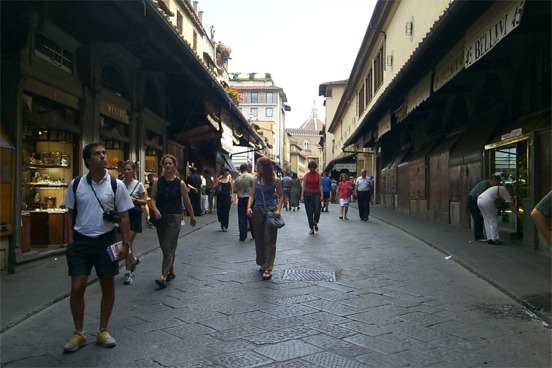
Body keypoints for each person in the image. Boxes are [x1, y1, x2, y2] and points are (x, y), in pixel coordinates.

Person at [62, 142, 134, 352]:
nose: (103, 156)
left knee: (108, 286)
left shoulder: (115, 185)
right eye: (97, 154)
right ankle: (79, 333)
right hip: (81, 241)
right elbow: (69, 214)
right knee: (77, 288)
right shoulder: (76, 184)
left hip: (106, 240)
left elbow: (124, 216)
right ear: (87, 160)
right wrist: (70, 240)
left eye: (104, 153)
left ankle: (103, 329)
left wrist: (126, 244)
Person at [149, 154, 196, 288]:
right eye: (166, 164)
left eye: (170, 163)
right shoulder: (158, 182)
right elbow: (152, 198)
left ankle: (163, 276)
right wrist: (155, 210)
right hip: (160, 218)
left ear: (174, 165)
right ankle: (171, 271)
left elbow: (186, 201)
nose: (168, 166)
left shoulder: (180, 183)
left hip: (175, 218)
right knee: (165, 246)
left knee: (169, 246)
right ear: (162, 166)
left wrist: (192, 217)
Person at [246, 157, 284, 280]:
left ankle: (268, 267)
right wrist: (248, 207)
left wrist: (278, 209)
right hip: (257, 210)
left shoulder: (275, 180)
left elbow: (281, 196)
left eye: (259, 166)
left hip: (270, 211)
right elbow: (252, 195)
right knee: (259, 239)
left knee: (270, 240)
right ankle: (263, 262)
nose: (257, 168)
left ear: (266, 167)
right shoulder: (256, 179)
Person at [120, 161, 146, 285]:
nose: (127, 172)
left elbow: (145, 202)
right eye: (125, 169)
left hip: (134, 217)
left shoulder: (139, 185)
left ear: (133, 171)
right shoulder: (119, 184)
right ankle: (133, 260)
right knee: (122, 244)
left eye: (129, 169)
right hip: (121, 217)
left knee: (128, 243)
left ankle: (128, 272)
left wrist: (134, 199)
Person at [467, 175, 501, 241]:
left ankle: (481, 235)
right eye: (496, 182)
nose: (497, 184)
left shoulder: (490, 186)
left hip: (478, 201)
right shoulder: (484, 184)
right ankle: (478, 236)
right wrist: (481, 210)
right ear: (493, 180)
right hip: (474, 201)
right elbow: (479, 196)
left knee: (480, 218)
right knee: (478, 218)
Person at [233, 163, 255, 241]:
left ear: (241, 169)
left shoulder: (237, 179)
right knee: (252, 217)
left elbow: (234, 190)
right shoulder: (252, 177)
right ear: (247, 168)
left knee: (242, 218)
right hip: (250, 199)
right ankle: (254, 234)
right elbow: (255, 188)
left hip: (241, 199)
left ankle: (242, 235)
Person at [301, 160, 323, 234]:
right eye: (311, 167)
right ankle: (311, 228)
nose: (312, 169)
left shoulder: (318, 175)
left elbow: (320, 186)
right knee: (309, 212)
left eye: (313, 167)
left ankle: (315, 222)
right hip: (308, 195)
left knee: (317, 210)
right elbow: (304, 186)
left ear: (315, 167)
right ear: (309, 168)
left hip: (316, 194)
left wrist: (322, 195)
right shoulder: (306, 175)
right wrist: (302, 196)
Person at [213, 167, 233, 231]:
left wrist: (232, 197)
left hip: (227, 197)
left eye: (228, 171)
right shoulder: (219, 179)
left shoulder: (229, 180)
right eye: (227, 171)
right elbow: (214, 187)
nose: (228, 173)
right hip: (220, 197)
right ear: (224, 172)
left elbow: (232, 189)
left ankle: (225, 226)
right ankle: (221, 220)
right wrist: (218, 183)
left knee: (226, 211)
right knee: (219, 210)